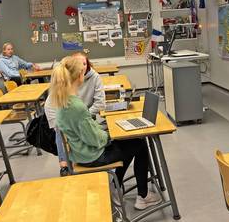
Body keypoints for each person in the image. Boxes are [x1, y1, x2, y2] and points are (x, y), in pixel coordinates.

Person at [50, 56, 162, 210]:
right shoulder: (76, 106)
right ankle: (143, 196)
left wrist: (107, 133)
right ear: (80, 76)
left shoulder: (64, 99)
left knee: (131, 143)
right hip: (91, 156)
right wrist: (111, 136)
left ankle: (118, 187)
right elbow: (95, 140)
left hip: (80, 152)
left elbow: (88, 129)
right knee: (139, 143)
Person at [44, 52, 105, 176]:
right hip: (79, 122)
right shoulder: (65, 92)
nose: (82, 67)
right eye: (79, 64)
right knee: (60, 131)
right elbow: (94, 139)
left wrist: (83, 115)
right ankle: (64, 165)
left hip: (83, 116)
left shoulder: (93, 78)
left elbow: (99, 104)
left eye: (84, 64)